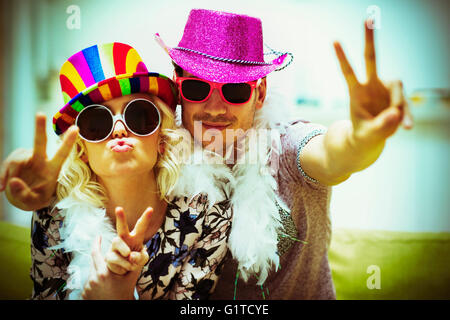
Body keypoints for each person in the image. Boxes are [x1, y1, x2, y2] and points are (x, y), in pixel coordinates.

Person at [154, 9, 414, 299]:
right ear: (178, 89)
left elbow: (332, 155)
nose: (215, 108)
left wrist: (359, 139)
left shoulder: (287, 148)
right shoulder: (161, 160)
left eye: (235, 90)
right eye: (197, 88)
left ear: (260, 93)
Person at [0, 42, 232, 300]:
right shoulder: (54, 212)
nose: (120, 129)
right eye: (97, 123)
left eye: (139, 116)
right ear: (82, 151)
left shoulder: (206, 211)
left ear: (162, 140)